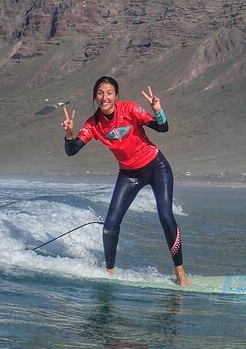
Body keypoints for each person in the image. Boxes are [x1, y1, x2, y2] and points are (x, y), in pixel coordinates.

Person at [61, 76, 189, 286]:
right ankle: (110, 273)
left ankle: (181, 274)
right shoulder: (93, 124)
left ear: (116, 96)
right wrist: (68, 134)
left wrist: (157, 109)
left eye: (109, 93)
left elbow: (162, 128)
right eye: (100, 93)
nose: (105, 97)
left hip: (157, 167)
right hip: (129, 174)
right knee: (110, 224)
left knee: (166, 217)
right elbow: (72, 151)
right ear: (95, 96)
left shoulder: (130, 109)